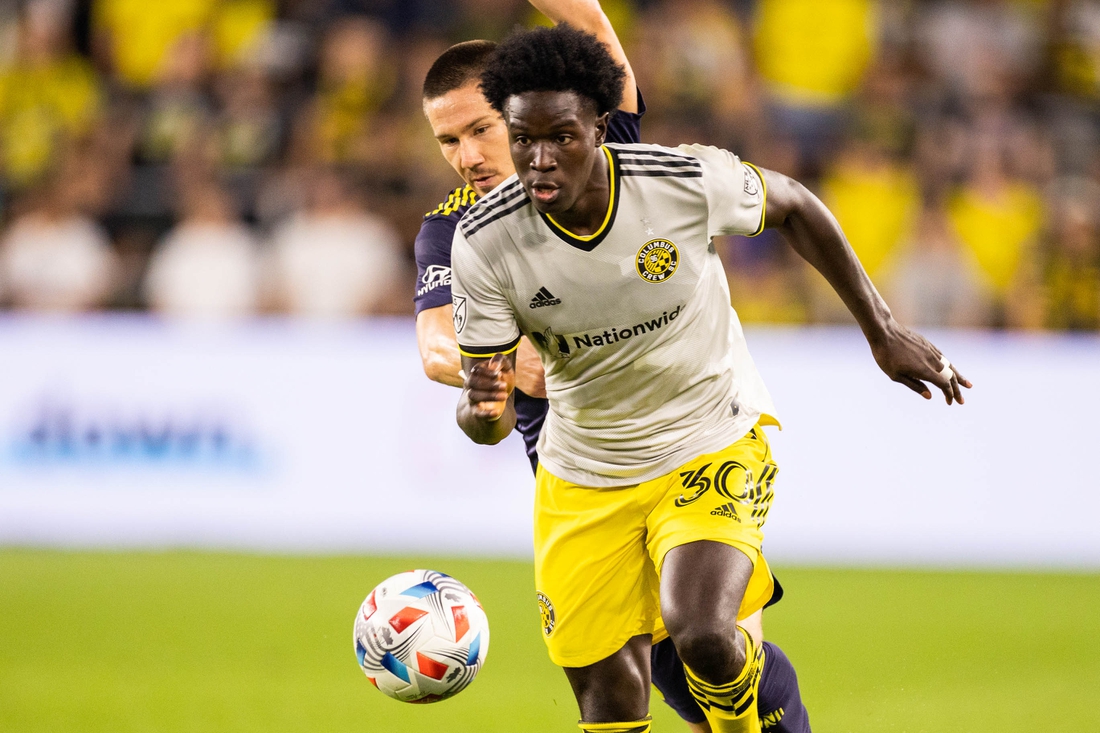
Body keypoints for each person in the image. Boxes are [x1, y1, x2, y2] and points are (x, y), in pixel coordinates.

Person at [452, 24, 970, 733]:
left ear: (601, 128)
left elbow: (794, 204)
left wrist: (881, 330)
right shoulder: (484, 240)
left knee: (699, 628)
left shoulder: (679, 182)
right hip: (585, 475)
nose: (539, 160)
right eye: (522, 139)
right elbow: (488, 416)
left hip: (710, 436)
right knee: (608, 698)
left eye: (562, 137)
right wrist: (482, 410)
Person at [414, 5, 812, 732]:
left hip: (691, 446)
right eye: (448, 140)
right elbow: (438, 340)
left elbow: (591, 21)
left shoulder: (606, 155)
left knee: (711, 646)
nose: (467, 155)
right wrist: (495, 370)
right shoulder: (454, 228)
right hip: (586, 480)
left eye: (478, 129)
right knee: (677, 683)